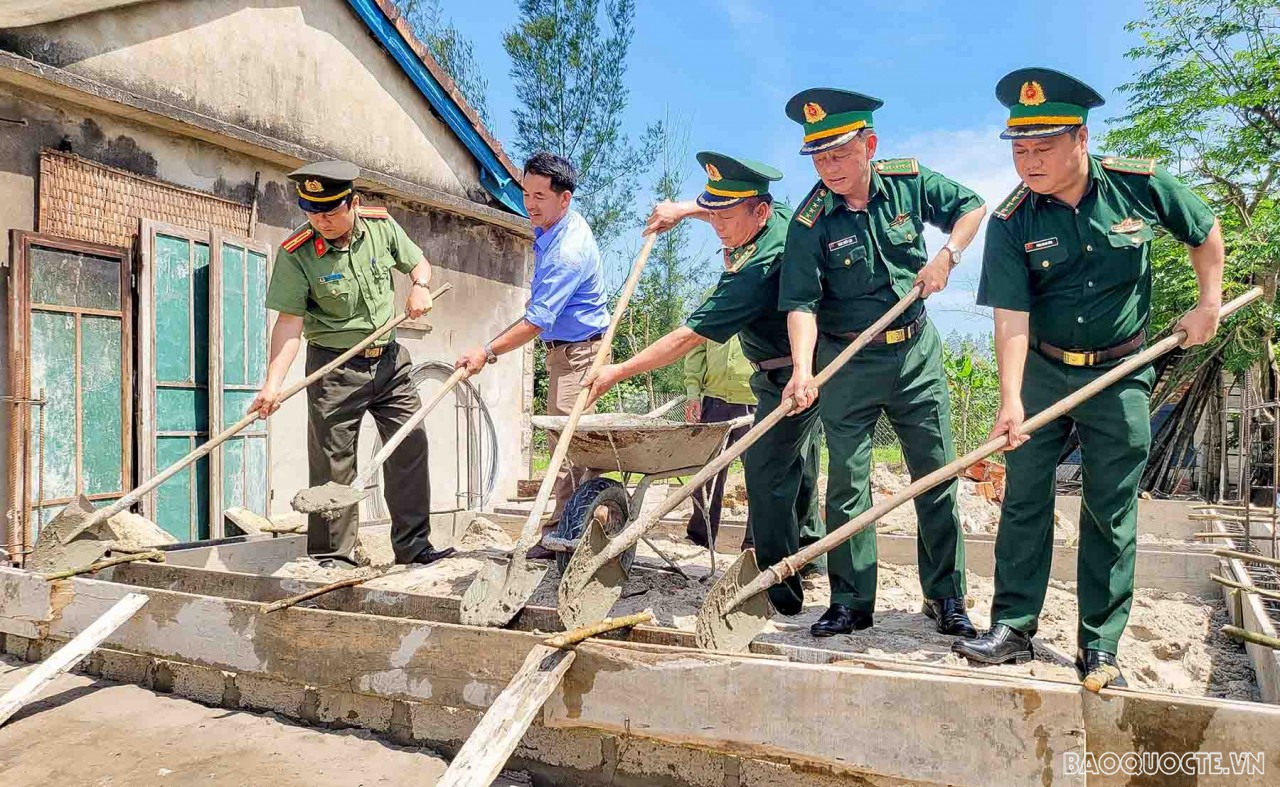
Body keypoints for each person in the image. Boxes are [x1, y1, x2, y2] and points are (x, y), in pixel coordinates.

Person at [953, 68, 1224, 687]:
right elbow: (1011, 317)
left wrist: (1208, 303)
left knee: (1111, 507)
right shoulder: (1012, 220)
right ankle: (1014, 627)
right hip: (1047, 369)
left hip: (1122, 372)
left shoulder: (1139, 186)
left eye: (1042, 147)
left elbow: (1205, 232)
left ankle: (1098, 644)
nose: (1029, 161)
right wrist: (1012, 400)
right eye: (1019, 150)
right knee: (1023, 499)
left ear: (1081, 138)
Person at [780, 89, 986, 637]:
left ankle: (945, 596)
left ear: (869, 145)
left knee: (936, 476)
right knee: (847, 484)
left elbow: (972, 207)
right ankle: (851, 601)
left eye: (840, 155)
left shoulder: (908, 182)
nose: (829, 169)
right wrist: (804, 369)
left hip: (916, 352)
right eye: (819, 159)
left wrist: (948, 255)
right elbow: (800, 303)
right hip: (847, 360)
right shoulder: (810, 220)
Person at [586, 151, 826, 614]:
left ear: (757, 212)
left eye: (725, 216)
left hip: (797, 368)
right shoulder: (768, 214)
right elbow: (732, 208)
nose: (717, 224)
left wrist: (618, 371)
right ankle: (803, 557)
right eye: (712, 212)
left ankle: (777, 585)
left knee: (767, 470)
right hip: (781, 367)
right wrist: (685, 209)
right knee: (795, 469)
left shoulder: (758, 267)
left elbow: (688, 338)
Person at [250, 160, 455, 569]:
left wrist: (419, 286)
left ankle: (414, 547)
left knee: (409, 446)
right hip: (334, 370)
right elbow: (288, 325)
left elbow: (418, 263)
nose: (320, 221)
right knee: (333, 464)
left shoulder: (381, 226)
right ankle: (332, 557)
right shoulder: (297, 254)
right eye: (311, 212)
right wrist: (272, 384)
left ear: (353, 203)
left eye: (328, 212)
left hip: (391, 363)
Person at [455, 152, 610, 559]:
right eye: (526, 192)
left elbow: (537, 320)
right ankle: (582, 527)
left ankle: (563, 534)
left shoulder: (567, 251)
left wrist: (486, 352)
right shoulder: (553, 228)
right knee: (568, 443)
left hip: (580, 354)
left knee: (568, 448)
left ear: (565, 198)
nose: (530, 203)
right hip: (567, 349)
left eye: (540, 195)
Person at [683, 325, 756, 549]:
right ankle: (700, 537)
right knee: (706, 473)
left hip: (755, 398)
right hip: (714, 401)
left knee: (759, 474)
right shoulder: (711, 299)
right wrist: (693, 392)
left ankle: (754, 543)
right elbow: (696, 351)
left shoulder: (766, 293)